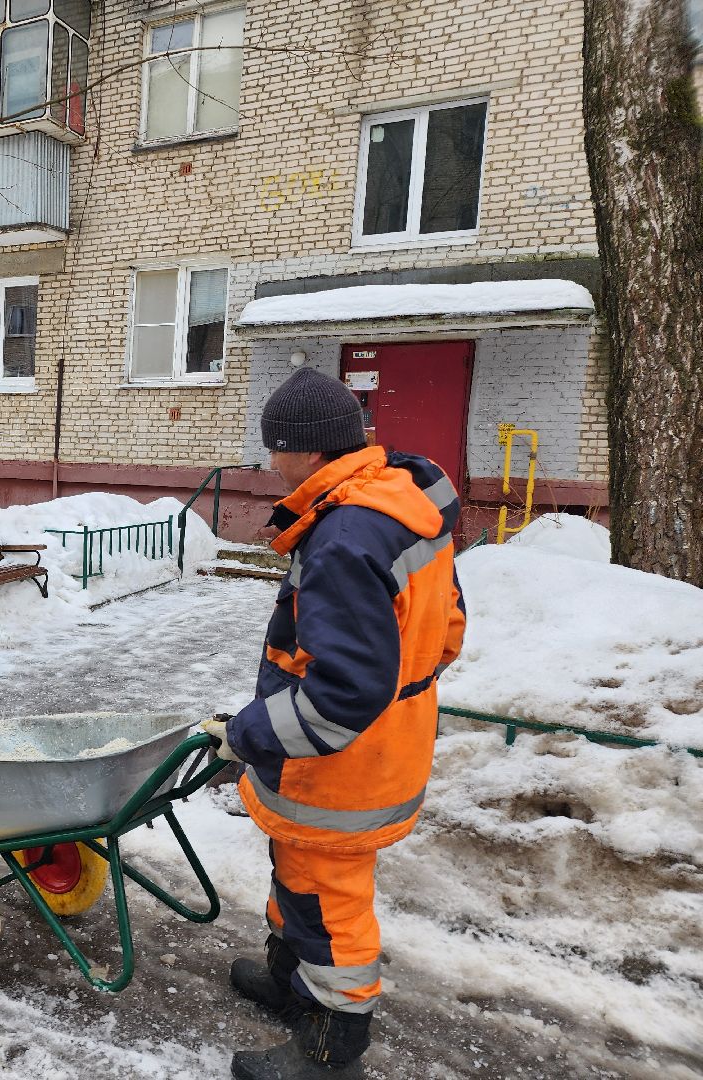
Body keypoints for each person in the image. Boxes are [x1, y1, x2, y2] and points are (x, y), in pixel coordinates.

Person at [208, 368, 467, 1080]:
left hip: (337, 766)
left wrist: (248, 734)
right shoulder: (399, 502)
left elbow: (341, 696)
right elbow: (448, 629)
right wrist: (407, 689)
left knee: (327, 900)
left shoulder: (345, 537)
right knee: (298, 875)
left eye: (274, 447)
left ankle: (331, 1047)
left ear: (308, 449)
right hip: (388, 740)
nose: (270, 462)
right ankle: (290, 981)